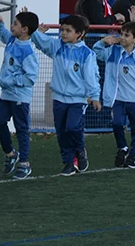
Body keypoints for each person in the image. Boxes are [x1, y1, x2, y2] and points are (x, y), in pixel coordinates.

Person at [30, 14, 101, 177]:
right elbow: (41, 41)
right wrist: (31, 24)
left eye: (68, 31)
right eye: (62, 30)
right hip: (58, 98)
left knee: (73, 127)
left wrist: (94, 96)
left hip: (78, 99)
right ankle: (68, 162)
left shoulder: (87, 54)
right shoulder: (57, 46)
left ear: (79, 34)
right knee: (61, 131)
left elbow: (91, 77)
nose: (63, 33)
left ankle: (80, 151)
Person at [94, 21, 135, 169]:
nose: (122, 38)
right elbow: (97, 52)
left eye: (126, 35)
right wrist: (103, 41)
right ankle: (123, 148)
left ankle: (134, 156)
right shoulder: (112, 51)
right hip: (118, 99)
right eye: (121, 34)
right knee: (117, 123)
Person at [0, 10, 41, 179]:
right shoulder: (12, 40)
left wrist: (12, 81)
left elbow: (31, 77)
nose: (12, 26)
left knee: (21, 128)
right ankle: (10, 154)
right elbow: (1, 32)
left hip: (20, 96)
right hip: (7, 94)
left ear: (25, 29)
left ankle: (24, 163)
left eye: (15, 24)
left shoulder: (27, 51)